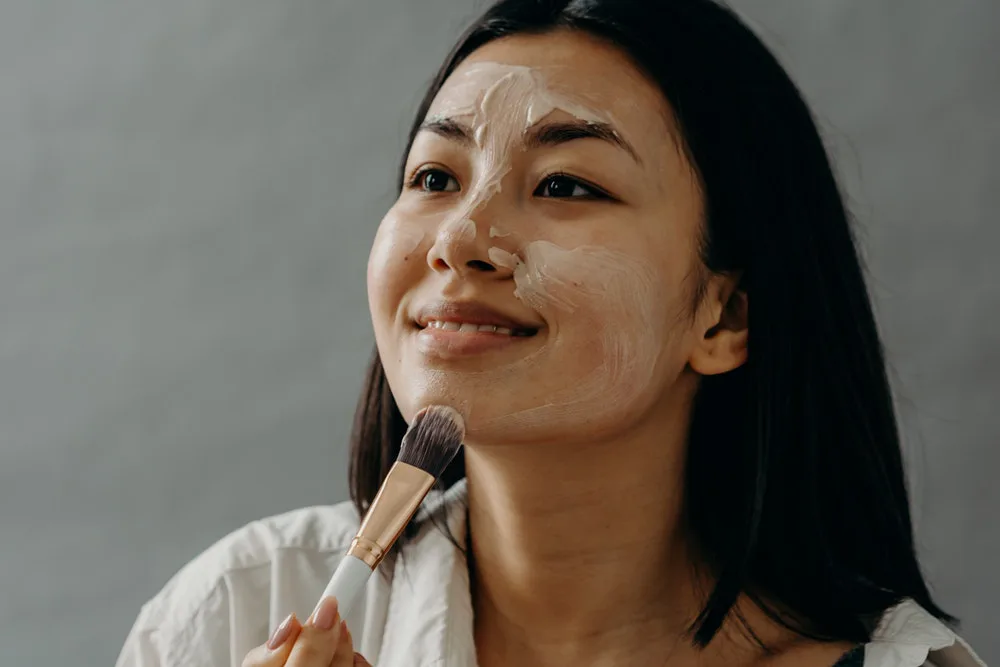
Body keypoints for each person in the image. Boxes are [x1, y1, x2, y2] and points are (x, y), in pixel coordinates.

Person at [116, 1, 988, 666]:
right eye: (434, 175)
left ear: (724, 315)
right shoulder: (233, 610)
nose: (458, 238)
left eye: (567, 185)